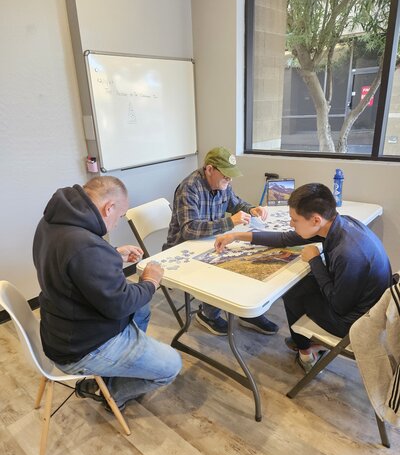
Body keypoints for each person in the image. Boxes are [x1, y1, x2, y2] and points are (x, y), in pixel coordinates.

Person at [33, 176, 182, 411]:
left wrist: (112, 254)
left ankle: (121, 367)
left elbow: (76, 262)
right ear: (109, 207)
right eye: (120, 216)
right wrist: (151, 281)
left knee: (141, 307)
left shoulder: (51, 222)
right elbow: (119, 304)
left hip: (61, 327)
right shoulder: (86, 247)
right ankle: (110, 393)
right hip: (82, 348)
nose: (117, 223)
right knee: (172, 365)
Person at [215, 183, 392, 373]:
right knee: (303, 282)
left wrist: (315, 261)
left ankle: (306, 352)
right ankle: (305, 342)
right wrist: (237, 236)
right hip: (365, 306)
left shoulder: (348, 253)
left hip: (357, 324)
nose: (291, 224)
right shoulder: (338, 224)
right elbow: (285, 239)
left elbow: (339, 306)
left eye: (294, 220)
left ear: (315, 220)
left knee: (292, 290)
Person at [165, 146, 278, 336]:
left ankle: (245, 311)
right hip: (183, 247)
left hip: (210, 240)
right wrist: (229, 222)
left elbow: (235, 203)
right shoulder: (189, 188)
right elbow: (189, 230)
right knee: (225, 265)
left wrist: (251, 209)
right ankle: (207, 314)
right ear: (209, 169)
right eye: (226, 176)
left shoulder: (223, 184)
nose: (229, 180)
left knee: (248, 257)